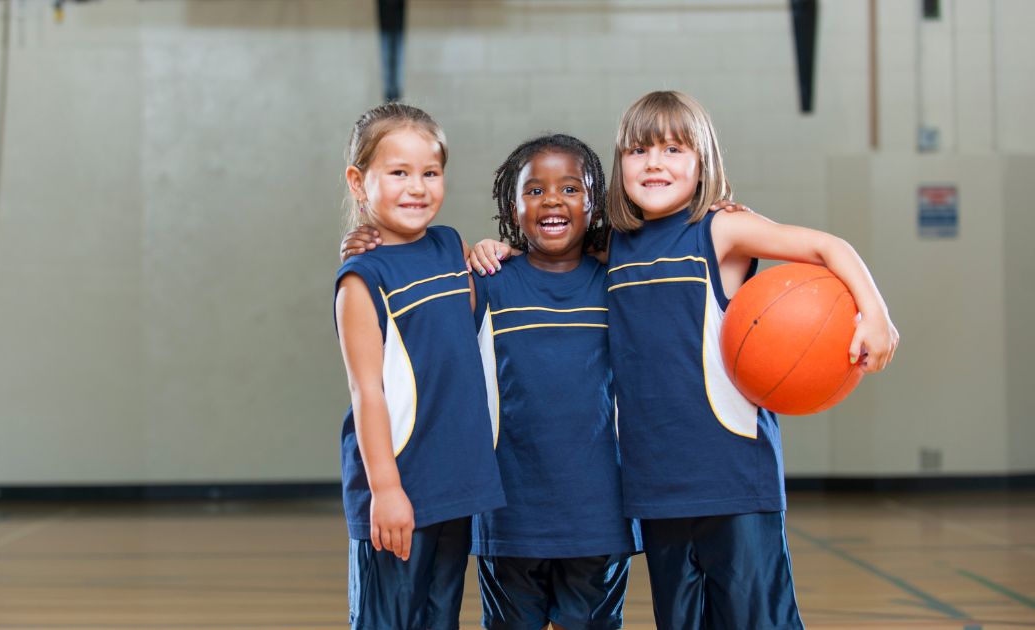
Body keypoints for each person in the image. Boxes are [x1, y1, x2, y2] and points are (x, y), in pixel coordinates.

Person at [600, 90, 899, 629]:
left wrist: (875, 314)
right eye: (638, 151)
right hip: (655, 483)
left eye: (673, 150)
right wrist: (493, 250)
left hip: (733, 475)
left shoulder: (720, 230)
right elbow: (549, 247)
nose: (654, 163)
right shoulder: (615, 246)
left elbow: (829, 247)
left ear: (703, 161)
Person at [334, 102, 505, 630]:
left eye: (430, 173)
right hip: (400, 487)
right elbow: (367, 392)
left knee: (439, 618)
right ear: (359, 182)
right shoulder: (361, 279)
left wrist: (496, 251)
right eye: (399, 173)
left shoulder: (451, 246)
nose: (417, 187)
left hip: (454, 483)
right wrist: (386, 490)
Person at [471, 134, 637, 630]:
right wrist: (367, 238)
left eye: (569, 188)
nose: (552, 201)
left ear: (594, 204)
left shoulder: (618, 282)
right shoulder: (489, 281)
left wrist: (717, 208)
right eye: (535, 190)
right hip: (510, 513)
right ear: (513, 207)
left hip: (599, 514)